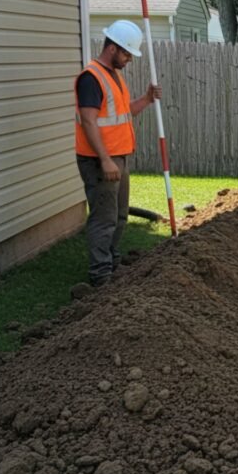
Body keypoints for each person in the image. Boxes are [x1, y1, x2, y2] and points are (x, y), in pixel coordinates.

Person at [74, 20, 161, 287]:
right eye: (126, 54)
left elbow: (121, 116)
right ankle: (101, 276)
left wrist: (145, 100)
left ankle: (112, 263)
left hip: (118, 158)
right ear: (112, 48)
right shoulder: (91, 78)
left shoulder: (114, 76)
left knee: (120, 215)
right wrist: (105, 160)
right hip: (101, 162)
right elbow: (89, 121)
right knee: (104, 218)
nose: (129, 60)